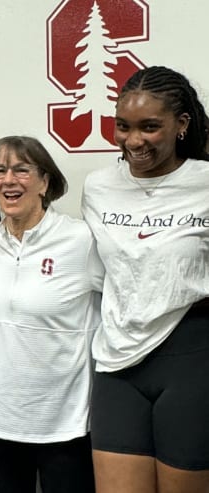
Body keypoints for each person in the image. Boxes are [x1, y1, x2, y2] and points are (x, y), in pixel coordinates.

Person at [82, 66, 209, 493]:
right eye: (123, 127)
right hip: (117, 364)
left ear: (181, 125)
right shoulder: (98, 187)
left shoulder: (205, 183)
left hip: (191, 361)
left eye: (150, 127)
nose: (133, 141)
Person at [0, 136, 102, 493]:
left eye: (21, 170)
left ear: (45, 182)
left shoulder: (79, 239)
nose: (8, 180)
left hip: (63, 422)